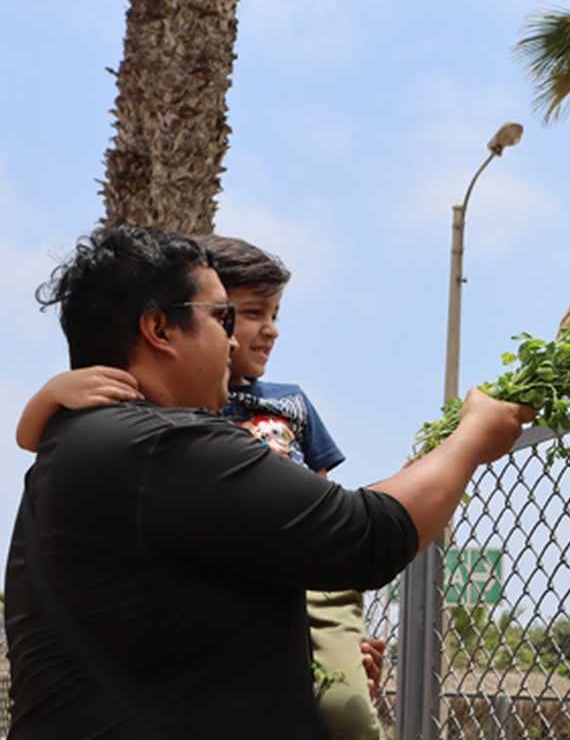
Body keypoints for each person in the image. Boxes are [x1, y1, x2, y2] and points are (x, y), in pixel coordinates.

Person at [4, 225, 531, 738]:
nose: (233, 343)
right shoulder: (161, 446)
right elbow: (366, 535)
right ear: (159, 330)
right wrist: (471, 439)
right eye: (222, 318)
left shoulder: (82, 442)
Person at [15, 235, 390, 739]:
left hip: (301, 563)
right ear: (162, 328)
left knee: (347, 701)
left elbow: (325, 509)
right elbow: (32, 436)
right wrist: (52, 393)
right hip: (277, 562)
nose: (257, 334)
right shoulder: (157, 434)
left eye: (273, 314)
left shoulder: (287, 404)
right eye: (233, 316)